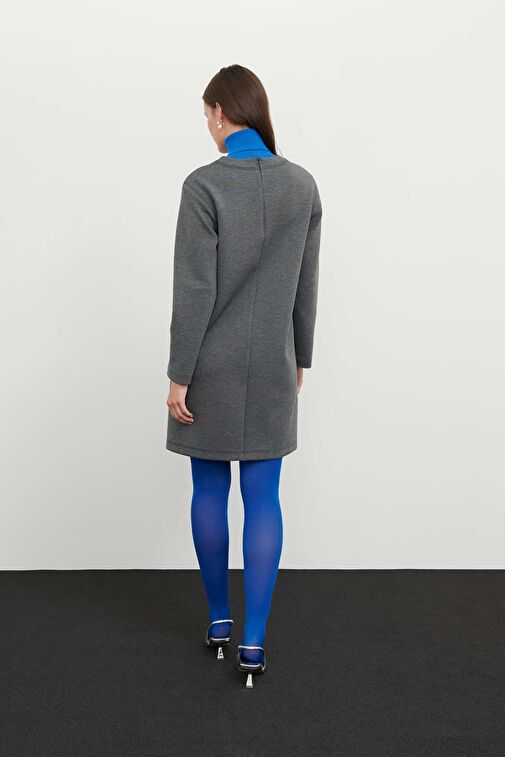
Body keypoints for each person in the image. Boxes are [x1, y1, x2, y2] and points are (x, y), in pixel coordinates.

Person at [165, 64, 322, 686]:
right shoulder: (302, 186)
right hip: (274, 362)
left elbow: (195, 289)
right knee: (264, 498)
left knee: (208, 491)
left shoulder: (203, 186)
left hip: (212, 364)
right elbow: (306, 282)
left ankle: (218, 622)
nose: (207, 124)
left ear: (222, 113)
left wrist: (179, 374)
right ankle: (254, 642)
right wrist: (300, 356)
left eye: (207, 114)